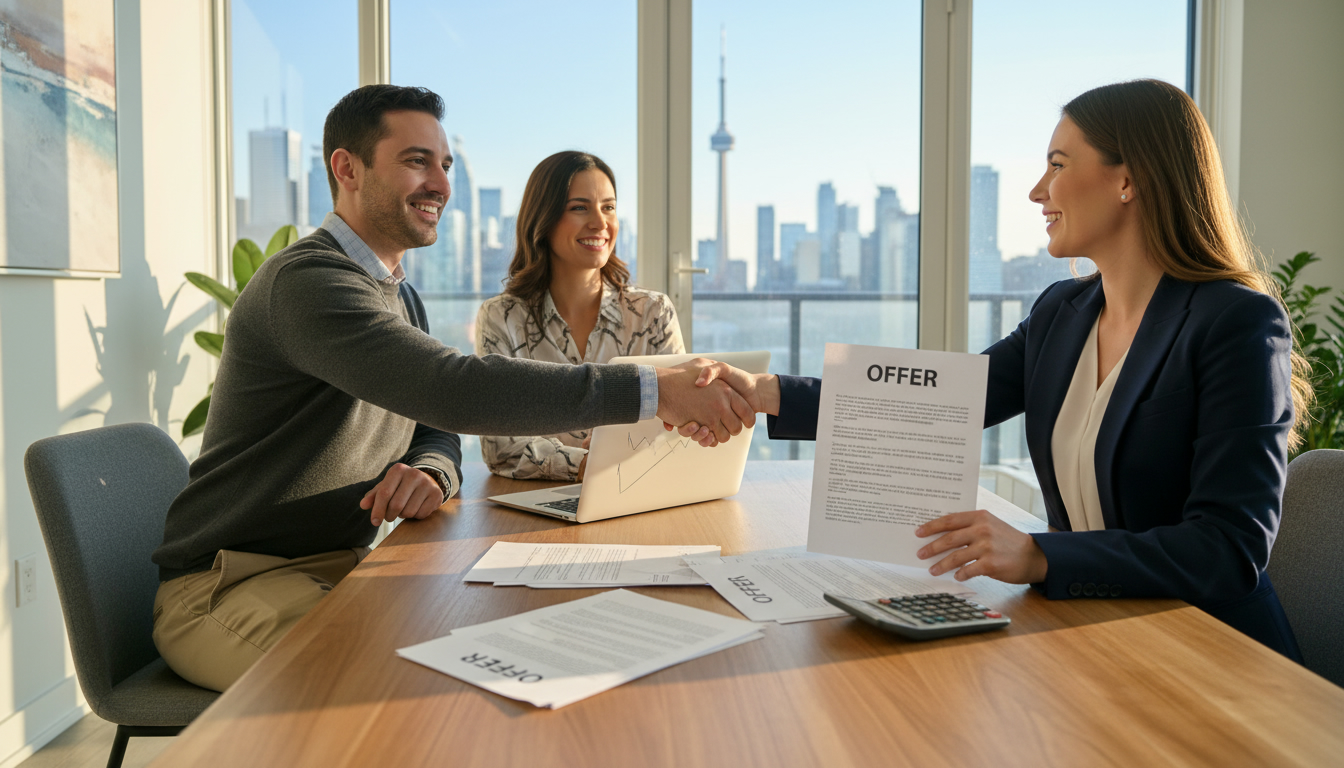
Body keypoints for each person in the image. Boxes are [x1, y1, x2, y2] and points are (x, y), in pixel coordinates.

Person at [151, 85, 753, 692]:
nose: (440, 183)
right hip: (230, 585)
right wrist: (653, 388)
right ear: (346, 168)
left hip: (344, 568)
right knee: (397, 697)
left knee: (504, 649)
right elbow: (451, 390)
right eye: (417, 161)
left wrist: (433, 469)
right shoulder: (309, 283)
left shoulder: (397, 292)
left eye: (445, 165)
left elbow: (434, 425)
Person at [686, 80, 1307, 659]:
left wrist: (1039, 554)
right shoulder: (1063, 312)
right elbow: (942, 401)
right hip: (1093, 635)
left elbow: (1228, 548)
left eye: (1058, 166)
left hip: (1214, 652)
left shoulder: (1237, 322)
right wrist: (765, 393)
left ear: (1129, 179)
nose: (1038, 191)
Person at [475, 151, 684, 481]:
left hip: (637, 491)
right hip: (534, 503)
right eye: (579, 207)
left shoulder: (652, 314)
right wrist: (583, 464)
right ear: (543, 218)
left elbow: (679, 419)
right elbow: (499, 447)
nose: (600, 223)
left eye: (609, 207)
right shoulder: (502, 317)